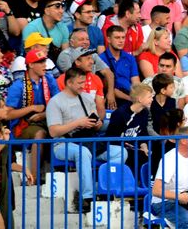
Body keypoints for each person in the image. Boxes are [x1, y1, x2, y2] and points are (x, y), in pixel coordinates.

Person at [46, 66, 128, 211]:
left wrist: (97, 123)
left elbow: (95, 122)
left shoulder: (86, 98)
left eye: (84, 82)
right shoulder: (56, 101)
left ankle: (106, 189)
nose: (83, 86)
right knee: (83, 153)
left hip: (87, 140)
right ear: (69, 83)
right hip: (63, 143)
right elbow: (53, 131)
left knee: (120, 152)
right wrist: (78, 123)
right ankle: (87, 197)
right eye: (79, 83)